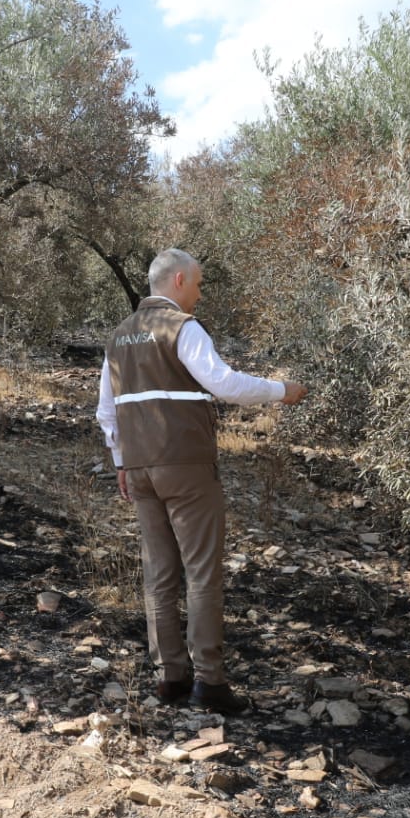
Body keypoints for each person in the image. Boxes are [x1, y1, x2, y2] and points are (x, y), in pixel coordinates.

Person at [96, 249, 307, 715]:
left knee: (159, 574)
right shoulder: (183, 328)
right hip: (187, 468)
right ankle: (210, 683)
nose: (199, 292)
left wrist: (121, 464)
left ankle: (170, 677)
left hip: (140, 469)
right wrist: (281, 391)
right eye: (197, 283)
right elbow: (224, 384)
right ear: (176, 282)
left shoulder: (118, 337)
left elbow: (106, 413)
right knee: (202, 573)